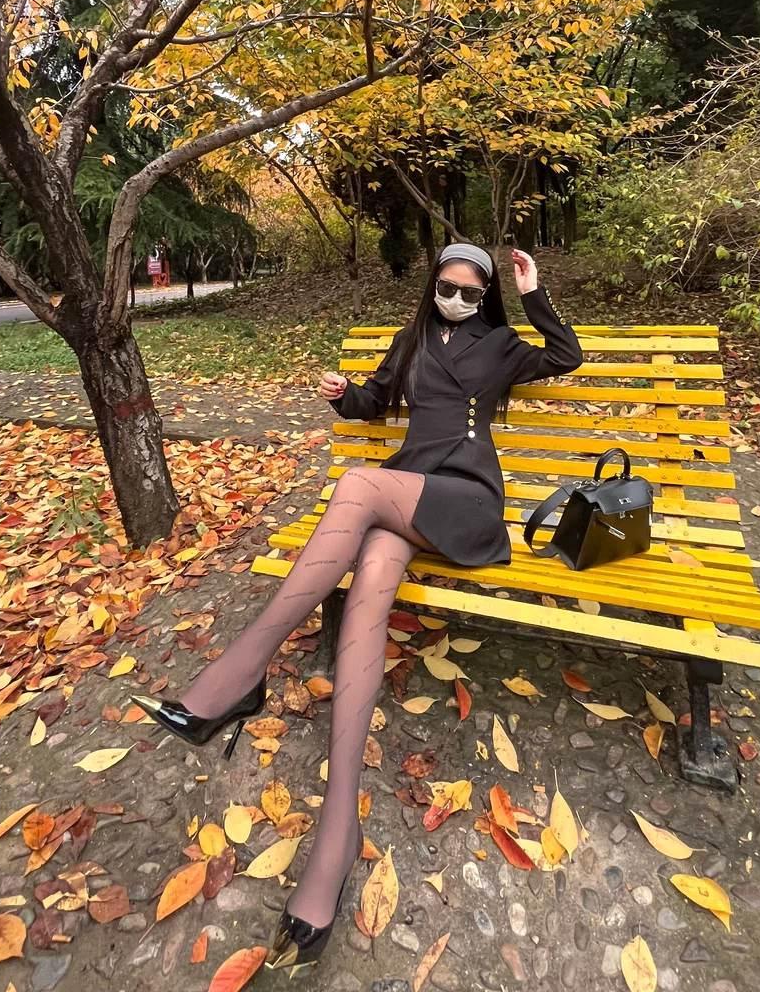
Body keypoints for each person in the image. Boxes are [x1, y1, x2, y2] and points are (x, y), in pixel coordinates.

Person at [131, 242, 582, 974]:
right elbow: (375, 400)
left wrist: (534, 294)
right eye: (447, 288)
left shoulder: (501, 344)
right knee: (370, 577)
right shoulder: (412, 339)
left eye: (472, 293)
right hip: (407, 498)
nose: (457, 301)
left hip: (465, 502)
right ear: (432, 285)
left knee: (357, 485)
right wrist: (343, 394)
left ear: (486, 297)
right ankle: (336, 841)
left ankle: (241, 672)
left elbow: (566, 356)